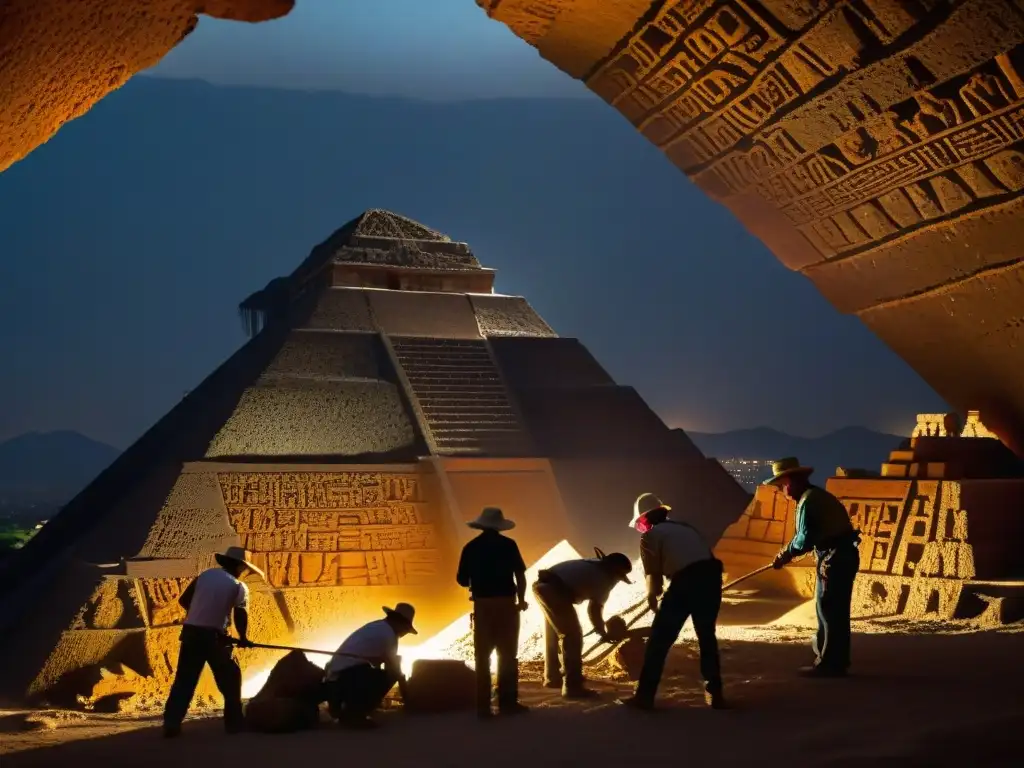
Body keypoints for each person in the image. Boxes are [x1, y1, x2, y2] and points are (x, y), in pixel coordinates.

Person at [618, 493, 726, 711]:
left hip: (685, 581)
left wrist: (652, 599)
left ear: (644, 520)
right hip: (712, 578)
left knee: (659, 640)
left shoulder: (650, 536)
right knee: (706, 636)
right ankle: (715, 694)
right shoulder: (685, 528)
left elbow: (653, 578)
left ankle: (644, 696)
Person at [766, 457, 861, 677]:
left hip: (834, 558)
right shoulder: (814, 497)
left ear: (791, 481)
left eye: (782, 485)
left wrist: (784, 555)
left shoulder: (809, 501)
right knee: (832, 610)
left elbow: (803, 539)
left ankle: (829, 664)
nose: (781, 490)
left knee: (829, 610)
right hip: (839, 555)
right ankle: (833, 660)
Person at [162, 545, 260, 738]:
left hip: (190, 634)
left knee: (184, 681)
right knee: (231, 679)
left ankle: (171, 724)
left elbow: (184, 601)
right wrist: (243, 638)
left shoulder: (205, 575)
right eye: (244, 568)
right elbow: (241, 613)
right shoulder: (238, 586)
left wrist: (200, 615)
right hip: (215, 638)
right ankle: (234, 724)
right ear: (240, 566)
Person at [456, 506, 529, 718]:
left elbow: (461, 580)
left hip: (483, 605)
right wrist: (522, 600)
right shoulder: (509, 545)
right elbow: (520, 575)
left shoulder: (470, 547)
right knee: (507, 654)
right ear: (499, 526)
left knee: (482, 656)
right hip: (507, 603)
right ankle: (508, 703)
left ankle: (483, 707)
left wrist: (477, 580)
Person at [533, 548, 633, 698]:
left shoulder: (591, 564)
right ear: (616, 573)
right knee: (572, 636)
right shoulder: (603, 579)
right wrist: (601, 631)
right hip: (554, 591)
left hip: (542, 586)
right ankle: (572, 687)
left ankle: (552, 677)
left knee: (554, 632)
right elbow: (594, 610)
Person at [322, 603, 417, 729]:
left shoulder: (376, 626)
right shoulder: (389, 635)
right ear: (400, 623)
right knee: (389, 676)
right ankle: (354, 715)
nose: (404, 634)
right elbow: (394, 669)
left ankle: (351, 709)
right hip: (345, 680)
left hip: (333, 680)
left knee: (373, 673)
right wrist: (408, 699)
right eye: (406, 630)